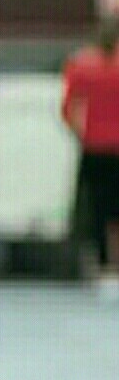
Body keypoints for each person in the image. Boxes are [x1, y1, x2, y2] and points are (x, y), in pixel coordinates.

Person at [62, 17, 119, 296]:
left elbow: (68, 108)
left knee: (97, 208)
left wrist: (81, 133)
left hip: (94, 146)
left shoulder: (82, 65)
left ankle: (103, 266)